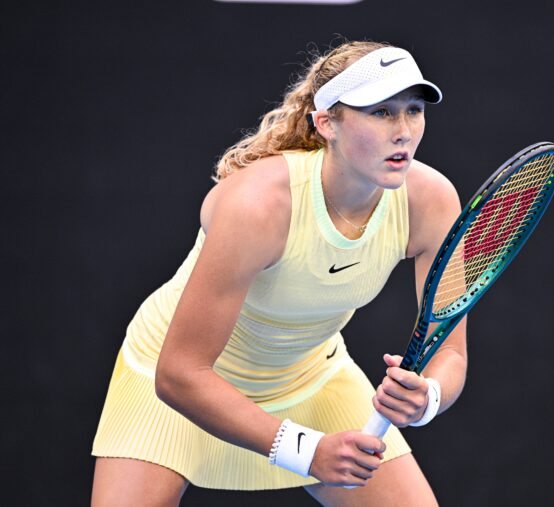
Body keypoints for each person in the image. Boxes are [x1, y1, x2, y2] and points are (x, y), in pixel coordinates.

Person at [91, 39, 467, 507]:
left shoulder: (431, 201)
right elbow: (179, 372)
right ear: (327, 123)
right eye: (381, 112)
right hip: (176, 382)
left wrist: (427, 397)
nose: (404, 131)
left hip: (311, 378)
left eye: (414, 110)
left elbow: (449, 351)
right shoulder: (258, 206)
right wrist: (304, 450)